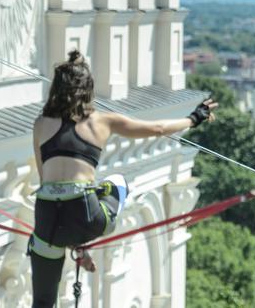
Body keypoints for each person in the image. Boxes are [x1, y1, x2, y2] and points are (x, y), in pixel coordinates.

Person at [27, 50, 218, 307]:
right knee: (116, 182)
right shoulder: (102, 121)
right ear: (88, 90)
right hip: (86, 217)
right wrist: (194, 119)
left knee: (42, 302)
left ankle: (74, 243)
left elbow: (48, 184)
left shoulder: (40, 124)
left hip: (48, 220)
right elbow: (158, 129)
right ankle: (80, 242)